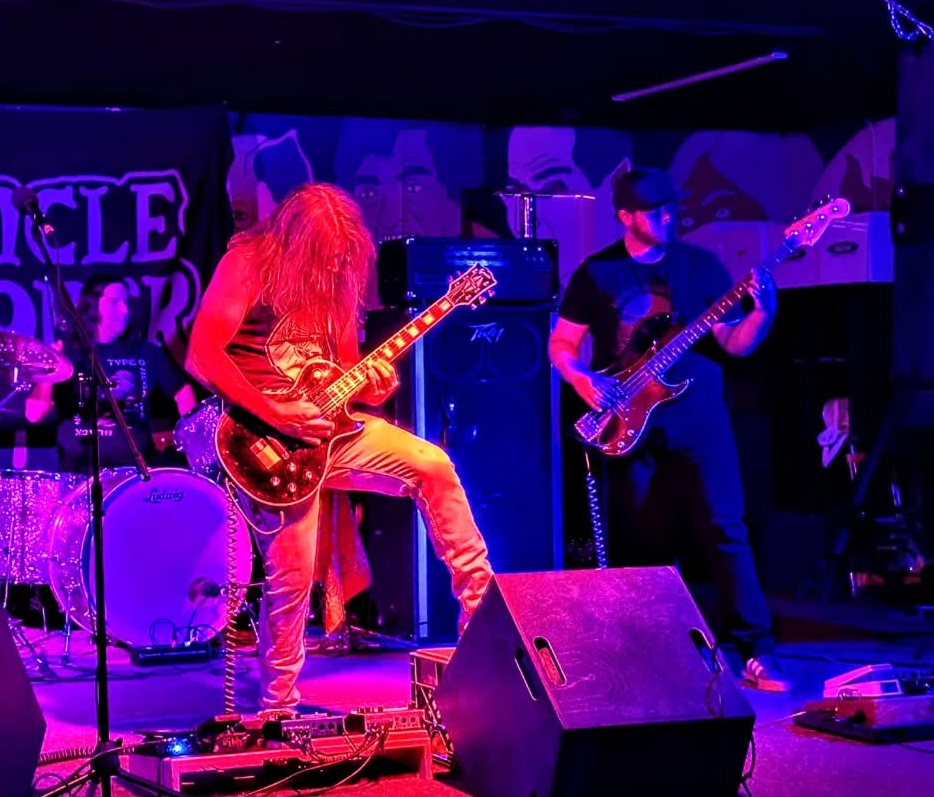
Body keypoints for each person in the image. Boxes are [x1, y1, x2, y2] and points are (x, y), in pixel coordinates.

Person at [185, 182, 494, 713]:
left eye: (340, 255)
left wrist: (373, 385)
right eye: (323, 254)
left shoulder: (337, 279)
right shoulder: (247, 265)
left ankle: (482, 616)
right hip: (265, 442)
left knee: (433, 465)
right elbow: (202, 357)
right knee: (292, 574)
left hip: (332, 431)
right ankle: (279, 707)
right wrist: (274, 411)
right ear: (293, 240)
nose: (332, 265)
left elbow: (347, 373)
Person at [547, 166, 793, 692]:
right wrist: (584, 380)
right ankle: (650, 653)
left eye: (670, 207)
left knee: (726, 529)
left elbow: (734, 344)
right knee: (641, 540)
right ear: (625, 216)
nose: (667, 216)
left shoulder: (701, 267)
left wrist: (762, 314)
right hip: (629, 421)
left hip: (700, 420)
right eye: (654, 210)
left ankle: (757, 650)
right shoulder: (597, 273)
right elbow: (562, 346)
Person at [25, 274, 198, 471]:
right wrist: (49, 370)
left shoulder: (146, 351)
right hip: (80, 472)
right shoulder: (68, 352)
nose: (125, 310)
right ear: (93, 306)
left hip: (136, 472)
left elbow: (183, 391)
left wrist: (192, 438)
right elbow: (34, 414)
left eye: (127, 303)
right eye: (115, 302)